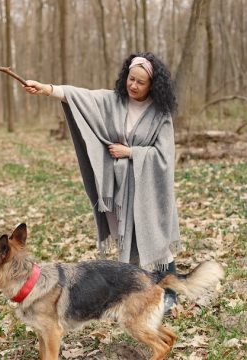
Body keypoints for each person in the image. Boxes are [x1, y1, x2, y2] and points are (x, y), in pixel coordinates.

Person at [23, 52, 181, 275]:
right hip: (118, 188)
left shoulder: (160, 114)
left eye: (140, 82)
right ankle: (136, 289)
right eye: (130, 78)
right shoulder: (113, 101)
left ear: (152, 85)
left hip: (147, 190)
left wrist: (130, 152)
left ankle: (171, 292)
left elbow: (165, 155)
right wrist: (46, 88)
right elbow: (79, 96)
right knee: (124, 240)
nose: (133, 85)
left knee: (156, 240)